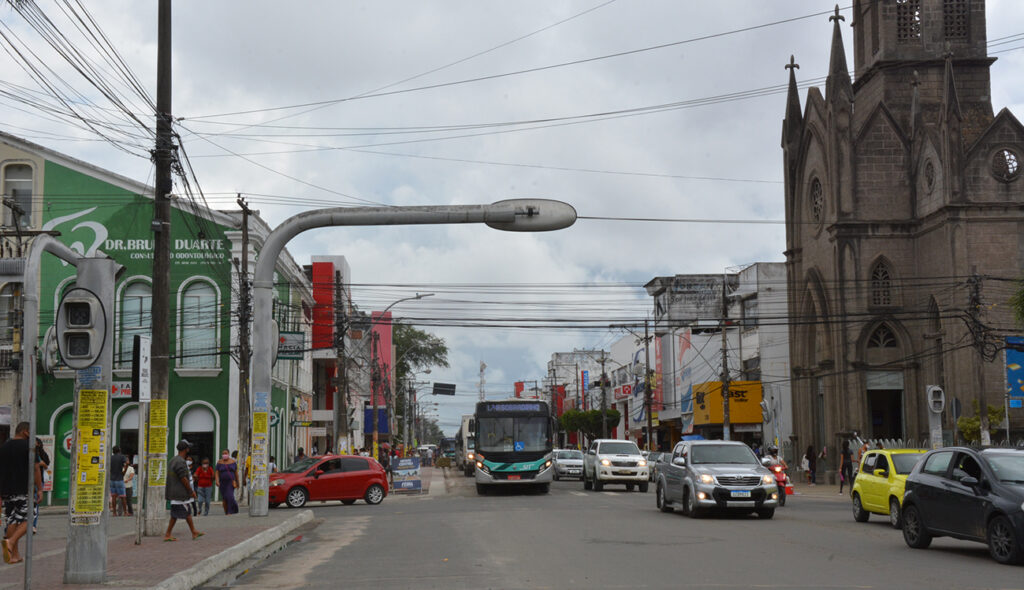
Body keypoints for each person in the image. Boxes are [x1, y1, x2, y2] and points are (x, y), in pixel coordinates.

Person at [0, 422, 42, 564]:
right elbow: (36, 469)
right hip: (23, 489)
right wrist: (40, 488)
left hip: (6, 490)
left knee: (12, 520)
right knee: (30, 518)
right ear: (25, 432)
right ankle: (11, 542)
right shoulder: (29, 447)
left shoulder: (4, 446)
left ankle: (14, 555)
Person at [164, 440, 202, 542]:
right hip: (179, 494)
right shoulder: (180, 462)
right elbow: (183, 479)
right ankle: (168, 534)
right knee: (180, 513)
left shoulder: (173, 460)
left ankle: (193, 531)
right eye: (188, 447)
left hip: (175, 493)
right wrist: (191, 491)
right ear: (186, 449)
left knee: (184, 513)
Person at [32, 438, 50, 532]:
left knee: (35, 504)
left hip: (38, 481)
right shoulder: (27, 451)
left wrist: (41, 464)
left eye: (35, 441)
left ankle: (33, 525)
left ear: (38, 444)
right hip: (27, 481)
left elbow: (46, 465)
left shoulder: (41, 454)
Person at [216, 449, 239, 515]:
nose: (224, 455)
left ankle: (230, 511)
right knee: (225, 498)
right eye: (223, 453)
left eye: (225, 453)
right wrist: (217, 481)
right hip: (222, 483)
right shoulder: (219, 462)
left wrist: (238, 482)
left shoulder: (233, 462)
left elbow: (236, 473)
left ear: (228, 454)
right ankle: (226, 511)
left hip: (230, 482)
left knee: (230, 496)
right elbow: (217, 473)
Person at [109, 445, 128, 516]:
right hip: (119, 479)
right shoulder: (122, 457)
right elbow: (127, 463)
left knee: (113, 497)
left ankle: (114, 512)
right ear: (119, 450)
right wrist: (124, 471)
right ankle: (125, 512)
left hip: (112, 480)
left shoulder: (111, 458)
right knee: (123, 497)